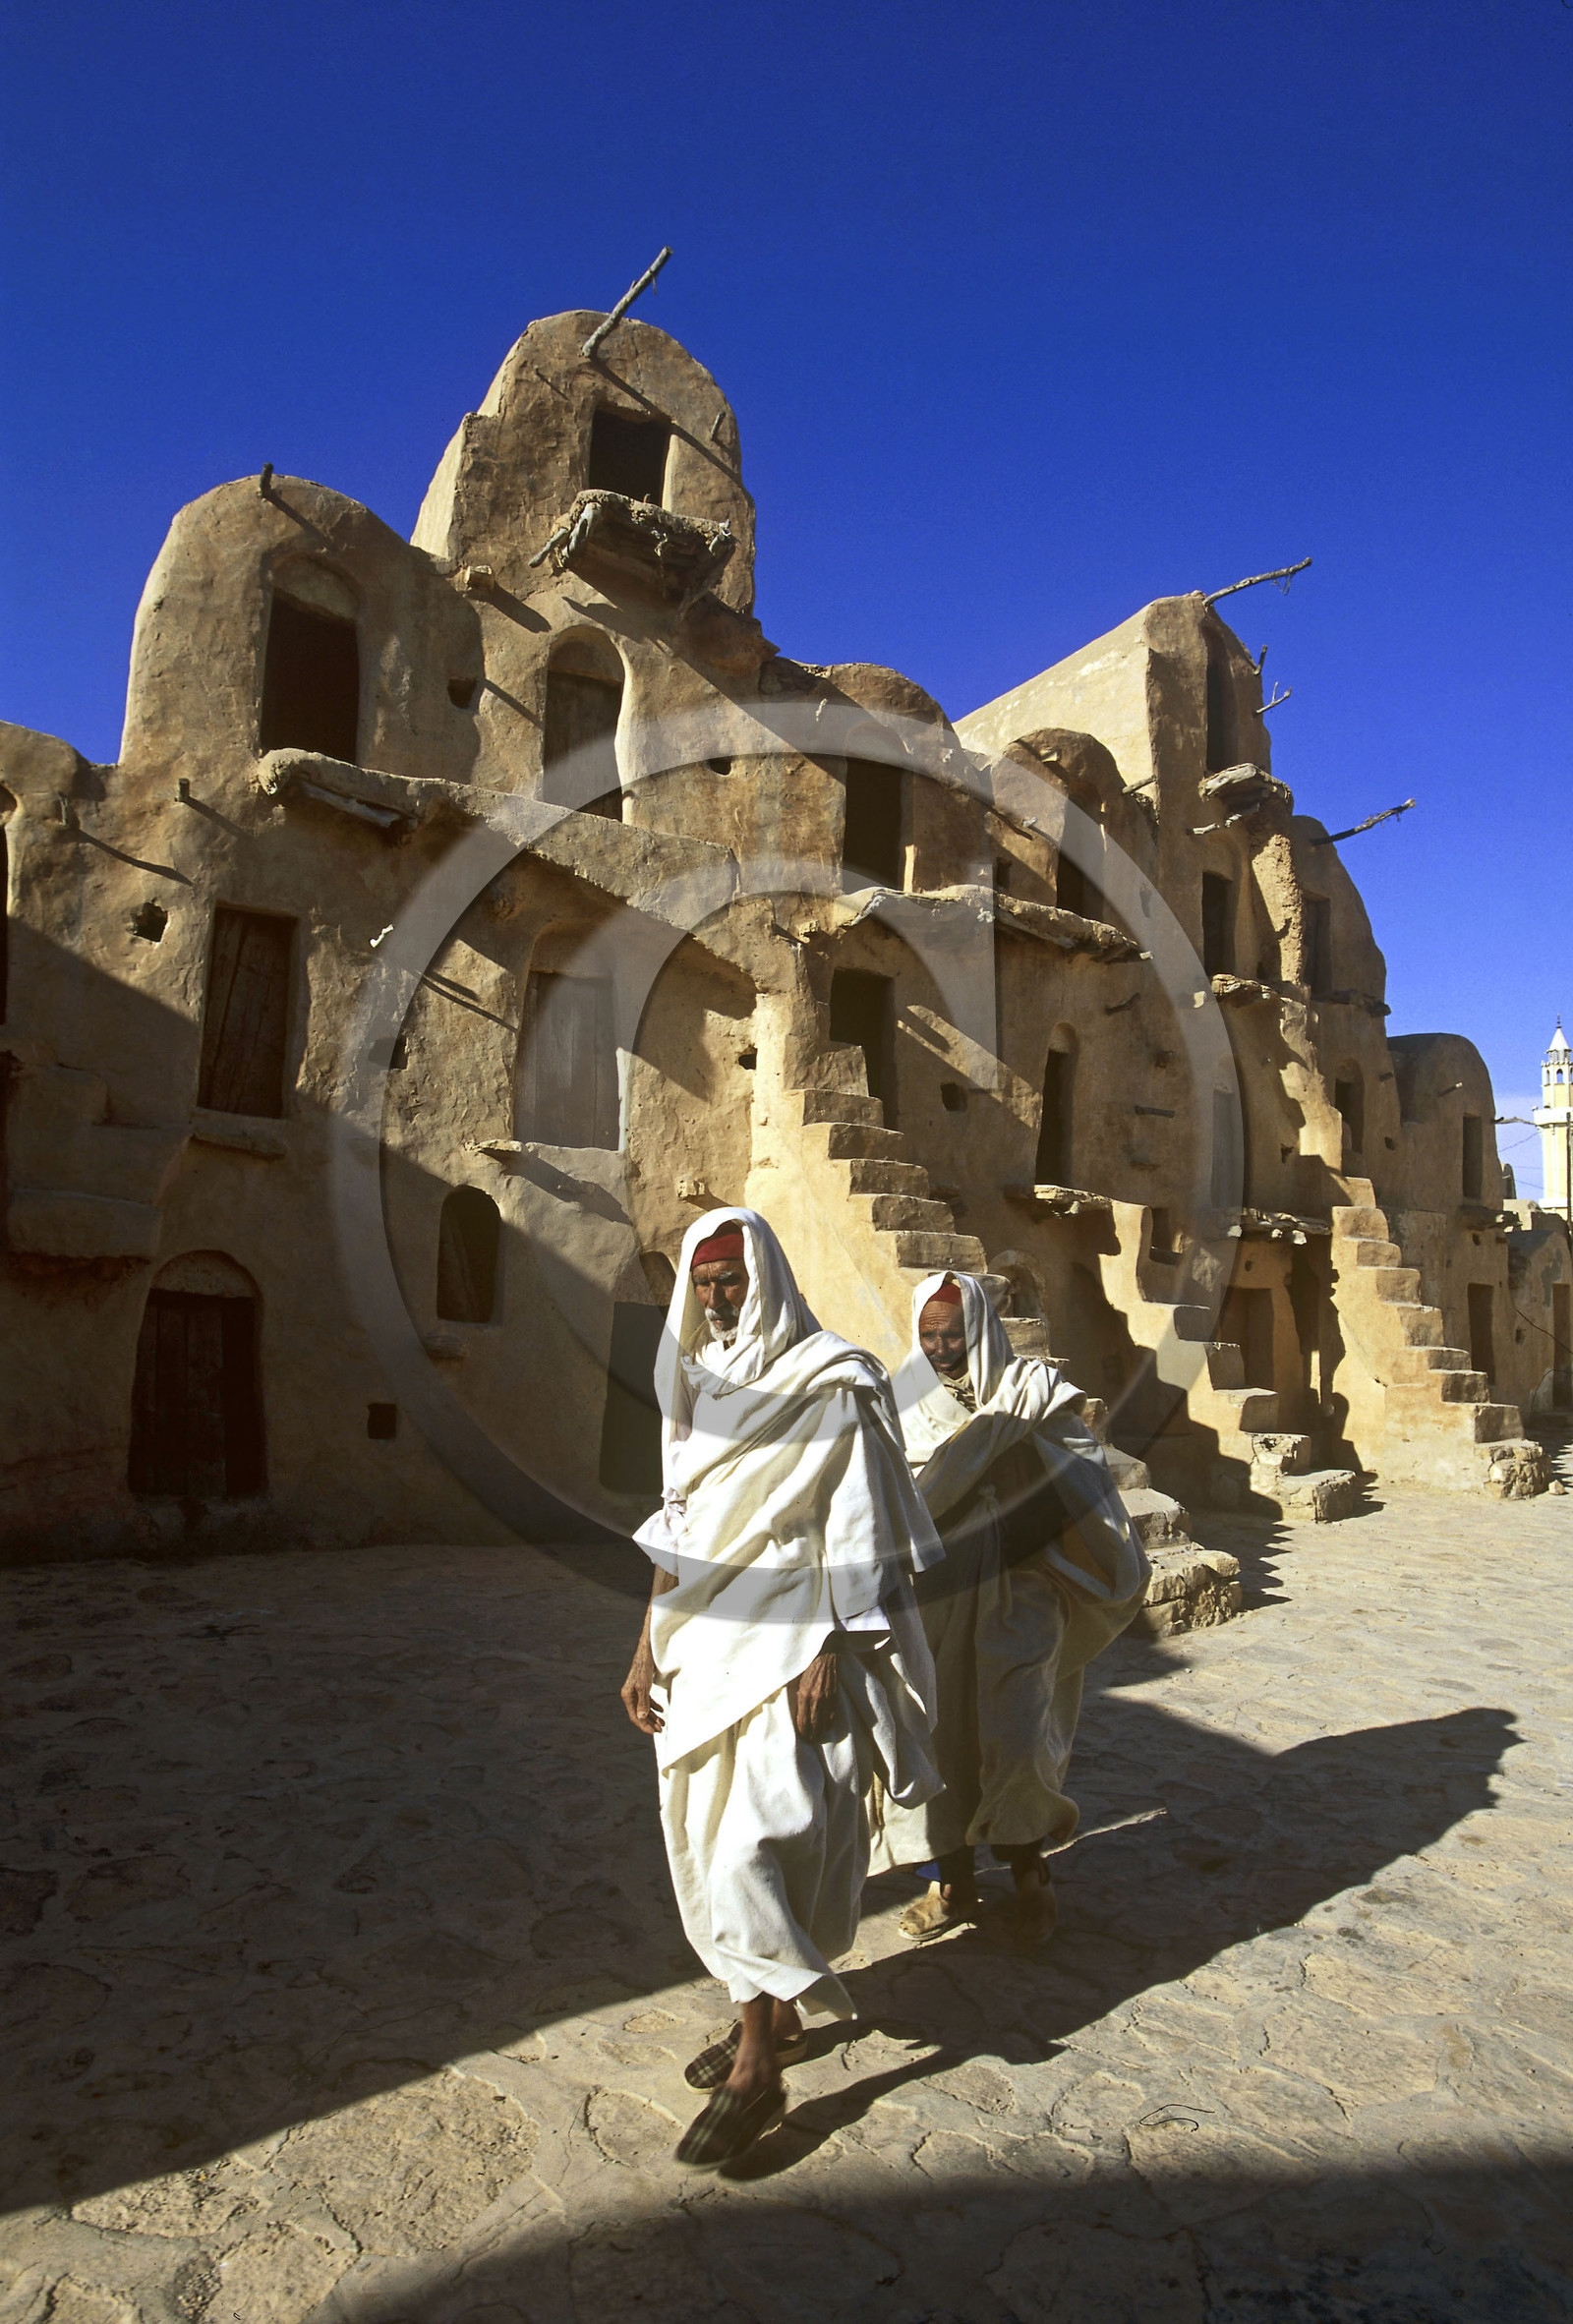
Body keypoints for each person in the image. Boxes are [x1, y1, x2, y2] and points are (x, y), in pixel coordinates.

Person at [619, 1208, 945, 2170]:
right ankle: (770, 2011)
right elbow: (676, 1525)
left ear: (765, 1276)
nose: (720, 1299)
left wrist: (829, 1649)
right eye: (706, 1282)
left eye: (733, 1279)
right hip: (699, 1650)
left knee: (751, 1849)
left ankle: (758, 2067)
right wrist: (643, 1649)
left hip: (792, 1645)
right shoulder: (689, 1386)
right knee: (707, 1831)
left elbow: (861, 1529)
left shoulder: (833, 1381)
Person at [876, 1271, 1149, 1943]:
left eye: (955, 1335)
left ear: (981, 1331)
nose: (942, 1348)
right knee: (937, 1738)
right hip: (933, 1596)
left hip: (1021, 1590)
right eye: (929, 1335)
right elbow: (881, 1490)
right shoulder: (897, 1401)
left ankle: (1030, 1873)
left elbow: (1085, 1484)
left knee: (1017, 1737)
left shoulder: (1032, 1393)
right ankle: (951, 1883)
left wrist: (1016, 1469)